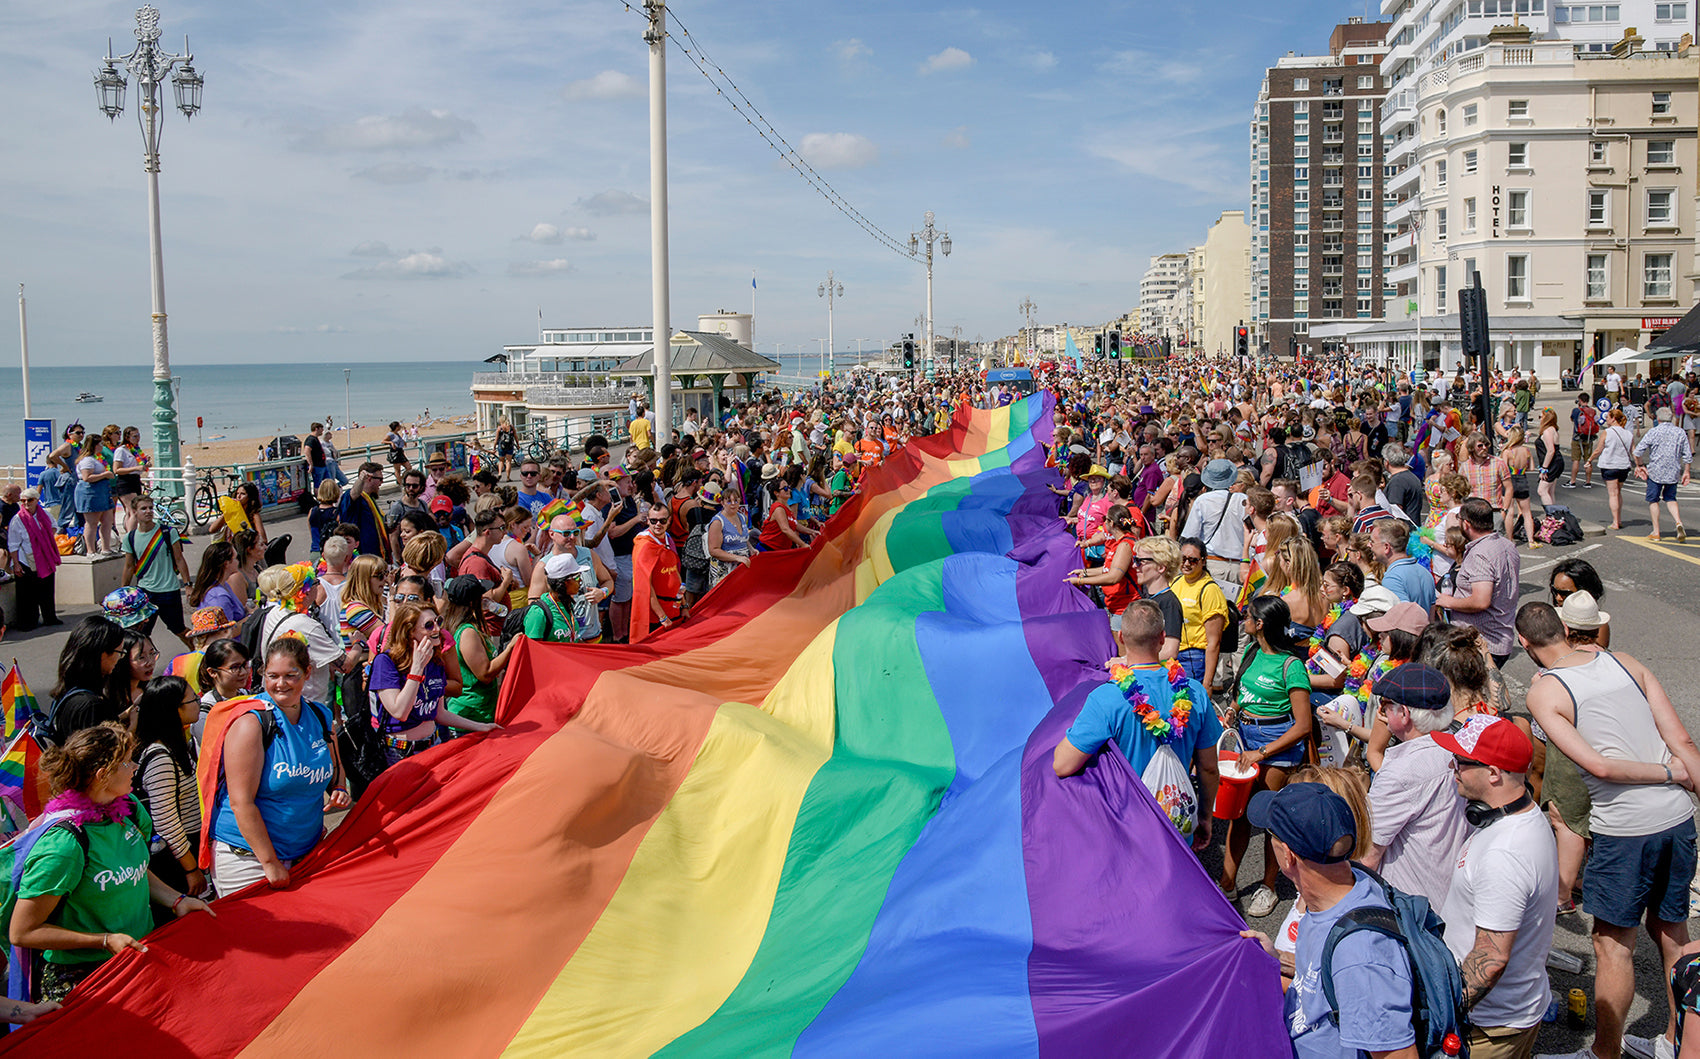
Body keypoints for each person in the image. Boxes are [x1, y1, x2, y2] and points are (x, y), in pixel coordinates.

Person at [1519, 601, 1700, 1059]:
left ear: (1524, 644)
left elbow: (1598, 765)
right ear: (1567, 628)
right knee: (1673, 932)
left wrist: (1668, 775)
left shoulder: (1544, 692)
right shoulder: (1627, 662)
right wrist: (1680, 779)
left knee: (1612, 944)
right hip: (1677, 820)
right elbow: (1682, 742)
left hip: (1625, 829)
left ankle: (1604, 1053)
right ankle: (1676, 1042)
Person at [10, 722, 214, 1005]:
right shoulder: (64, 846)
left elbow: (136, 872)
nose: (135, 767)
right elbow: (22, 931)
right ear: (103, 775)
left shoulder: (129, 808)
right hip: (84, 977)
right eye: (127, 761)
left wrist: (177, 900)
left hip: (138, 957)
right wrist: (104, 940)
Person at [1238, 782, 1419, 1059]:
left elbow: (1399, 1054)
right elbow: (1321, 979)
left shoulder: (1361, 953)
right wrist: (1275, 960)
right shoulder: (1336, 893)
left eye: (1270, 835)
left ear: (1288, 856)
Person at [1428, 714, 1557, 1059]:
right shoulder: (1520, 817)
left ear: (1494, 773)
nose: (1452, 767)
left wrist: (1445, 1011)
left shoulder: (1505, 853)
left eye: (1460, 761)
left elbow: (1493, 958)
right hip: (1513, 1012)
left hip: (1488, 1026)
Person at [1053, 600, 1222, 847]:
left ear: (1121, 637)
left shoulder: (1107, 698)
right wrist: (1205, 817)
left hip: (1128, 832)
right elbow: (1208, 768)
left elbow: (1062, 764)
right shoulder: (1194, 693)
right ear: (1162, 638)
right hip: (1178, 823)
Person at [200, 637, 348, 893]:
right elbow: (240, 802)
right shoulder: (251, 723)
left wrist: (340, 790)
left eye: (291, 675)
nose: (281, 684)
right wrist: (270, 863)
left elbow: (335, 769)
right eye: (273, 675)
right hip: (249, 861)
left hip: (306, 854)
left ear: (307, 672)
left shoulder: (321, 716)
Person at [1220, 595, 1314, 919]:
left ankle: (1269, 886)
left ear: (1259, 624)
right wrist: (1233, 709)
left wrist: (1260, 753)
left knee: (1269, 819)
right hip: (1246, 738)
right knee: (1239, 815)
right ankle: (1227, 881)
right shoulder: (1251, 651)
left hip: (1277, 747)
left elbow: (1302, 725)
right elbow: (1241, 693)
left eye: (1247, 617)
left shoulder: (1292, 666)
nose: (1243, 620)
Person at [1355, 662, 1475, 908]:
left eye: (1386, 706)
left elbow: (1368, 856)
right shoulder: (1460, 748)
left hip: (1410, 905)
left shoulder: (1400, 773)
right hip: (1453, 894)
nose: (1382, 713)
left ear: (1405, 714)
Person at [371, 599, 496, 761]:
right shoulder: (386, 662)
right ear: (410, 632)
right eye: (429, 625)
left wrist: (481, 727)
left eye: (438, 621)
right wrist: (416, 669)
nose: (437, 628)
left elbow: (438, 713)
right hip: (398, 753)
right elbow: (400, 711)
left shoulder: (435, 660)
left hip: (432, 745)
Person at [133, 675, 206, 920]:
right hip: (174, 861)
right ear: (173, 710)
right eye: (192, 699)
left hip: (187, 850)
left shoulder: (180, 745)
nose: (198, 702)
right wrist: (191, 868)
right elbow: (166, 824)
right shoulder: (161, 759)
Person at [1434, 498, 1520, 669]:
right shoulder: (1506, 544)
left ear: (1466, 524)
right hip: (1500, 637)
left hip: (1482, 643)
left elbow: (1481, 601)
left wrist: (1448, 602)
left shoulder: (1480, 554)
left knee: (1472, 694)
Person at [120, 495, 194, 647]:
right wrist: (123, 592)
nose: (148, 511)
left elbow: (179, 559)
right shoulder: (130, 538)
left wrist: (187, 585)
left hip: (169, 590)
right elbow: (129, 566)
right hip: (145, 593)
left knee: (179, 629)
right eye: (143, 508)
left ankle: (199, 653)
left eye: (150, 508)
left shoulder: (167, 532)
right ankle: (144, 661)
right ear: (134, 512)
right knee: (141, 633)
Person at [43, 617, 126, 746]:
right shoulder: (91, 705)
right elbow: (106, 756)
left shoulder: (70, 691)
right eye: (119, 652)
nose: (120, 658)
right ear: (102, 654)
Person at [1180, 458, 1247, 597]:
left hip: (1213, 563)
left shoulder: (1203, 500)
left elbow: (1191, 536)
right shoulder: (1243, 499)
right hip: (1239, 565)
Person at [1172, 537, 1230, 690]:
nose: (1186, 564)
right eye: (1183, 558)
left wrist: (1208, 683)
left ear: (1203, 561)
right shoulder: (1176, 582)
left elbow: (1214, 642)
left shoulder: (1210, 590)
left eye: (1193, 560)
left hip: (1194, 658)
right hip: (1173, 654)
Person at [5, 488, 60, 631]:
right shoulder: (17, 519)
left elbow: (54, 527)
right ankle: (28, 622)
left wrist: (43, 540)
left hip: (44, 557)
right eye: (23, 501)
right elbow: (13, 544)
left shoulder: (45, 515)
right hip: (26, 559)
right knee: (26, 594)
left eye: (29, 500)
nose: (26, 503)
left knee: (47, 589)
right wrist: (16, 564)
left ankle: (49, 617)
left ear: (36, 500)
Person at [1634, 407, 1692, 542]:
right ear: (1671, 418)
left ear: (1658, 418)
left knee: (1653, 500)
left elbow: (1637, 452)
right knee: (1671, 498)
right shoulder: (1680, 432)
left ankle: (1656, 531)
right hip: (1673, 471)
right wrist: (1687, 471)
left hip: (1655, 470)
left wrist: (1640, 465)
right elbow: (1687, 455)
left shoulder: (1653, 432)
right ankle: (1678, 522)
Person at [631, 505, 683, 644]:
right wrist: (662, 617)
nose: (658, 524)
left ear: (669, 520)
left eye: (662, 520)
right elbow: (645, 587)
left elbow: (675, 571)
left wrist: (684, 605)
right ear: (647, 521)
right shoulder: (644, 546)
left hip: (675, 608)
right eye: (654, 521)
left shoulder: (667, 538)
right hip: (658, 617)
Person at [1588, 407, 1636, 531]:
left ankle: (1615, 522)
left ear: (1613, 419)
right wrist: (1639, 465)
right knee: (1618, 493)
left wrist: (1590, 460)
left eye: (1608, 417)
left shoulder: (1607, 432)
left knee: (1613, 494)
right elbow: (1634, 451)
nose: (1606, 420)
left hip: (1610, 465)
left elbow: (1599, 449)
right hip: (1624, 466)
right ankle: (1618, 519)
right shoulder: (1628, 434)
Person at [1371, 520, 1434, 611]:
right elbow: (1431, 616)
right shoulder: (1425, 572)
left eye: (1372, 542)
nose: (1369, 545)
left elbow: (1403, 618)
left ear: (1386, 547)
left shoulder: (1392, 579)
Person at [73, 430, 117, 555]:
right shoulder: (87, 460)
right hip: (91, 492)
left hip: (103, 492)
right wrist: (105, 475)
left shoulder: (96, 459)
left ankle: (106, 548)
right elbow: (86, 477)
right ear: (94, 445)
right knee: (92, 523)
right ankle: (90, 550)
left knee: (107, 521)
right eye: (100, 444)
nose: (102, 447)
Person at [338, 462, 392, 563]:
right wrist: (360, 479)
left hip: (377, 555)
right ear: (369, 478)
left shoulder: (370, 498)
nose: (382, 482)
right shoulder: (355, 498)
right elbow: (354, 493)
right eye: (380, 479)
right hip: (362, 557)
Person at [188, 541, 248, 621]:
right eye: (236, 558)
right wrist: (250, 618)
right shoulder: (218, 597)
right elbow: (227, 631)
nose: (238, 561)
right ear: (226, 564)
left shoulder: (223, 584)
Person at [1567, 392, 1600, 490]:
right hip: (1589, 438)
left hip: (1578, 438)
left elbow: (1572, 419)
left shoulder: (1576, 410)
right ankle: (1588, 482)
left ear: (1580, 400)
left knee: (1576, 460)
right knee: (1588, 460)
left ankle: (1572, 481)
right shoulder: (1593, 411)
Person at [384, 421, 411, 486]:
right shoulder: (390, 434)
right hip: (395, 452)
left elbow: (399, 441)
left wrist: (403, 442)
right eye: (399, 426)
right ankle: (401, 484)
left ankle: (401, 479)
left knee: (409, 467)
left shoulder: (397, 434)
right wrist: (391, 443)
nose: (400, 427)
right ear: (396, 427)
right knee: (397, 470)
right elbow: (383, 441)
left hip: (400, 452)